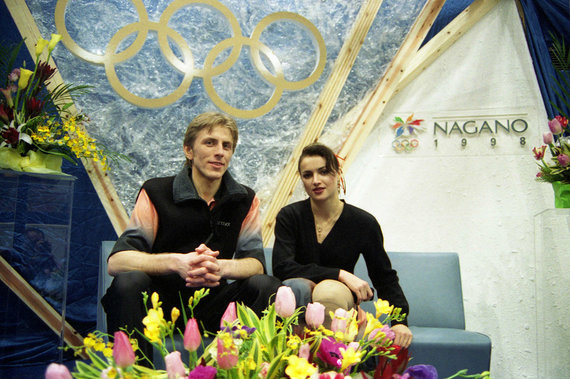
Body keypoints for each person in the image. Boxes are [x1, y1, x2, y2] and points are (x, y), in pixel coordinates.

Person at [101, 112, 281, 362]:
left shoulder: (245, 198)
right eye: (210, 143)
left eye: (226, 146)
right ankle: (134, 372)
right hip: (159, 305)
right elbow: (117, 262)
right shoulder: (156, 191)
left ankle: (241, 370)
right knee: (128, 282)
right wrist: (176, 263)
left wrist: (219, 267)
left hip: (214, 306)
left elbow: (256, 265)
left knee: (267, 286)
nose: (220, 152)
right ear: (189, 150)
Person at [272, 142, 413, 348]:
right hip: (299, 295)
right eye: (308, 175)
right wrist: (341, 273)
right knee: (295, 286)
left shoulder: (363, 223)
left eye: (323, 172)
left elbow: (384, 277)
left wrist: (400, 322)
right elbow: (282, 267)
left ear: (337, 173)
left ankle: (330, 365)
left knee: (328, 292)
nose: (316, 180)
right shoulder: (290, 216)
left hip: (338, 297)